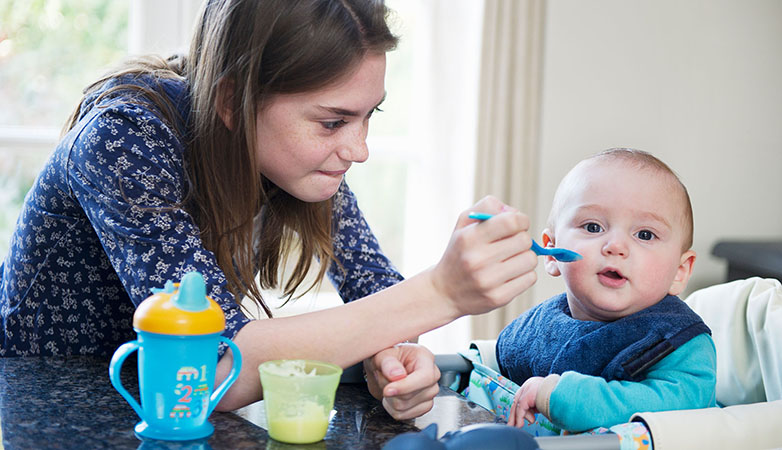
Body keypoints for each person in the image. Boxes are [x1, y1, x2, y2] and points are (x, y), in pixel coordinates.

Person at [0, 0, 539, 419]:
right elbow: (216, 369)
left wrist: (395, 358)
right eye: (333, 122)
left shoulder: (287, 159)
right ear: (233, 100)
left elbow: (376, 291)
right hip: (43, 406)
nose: (359, 148)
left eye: (369, 115)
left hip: (163, 418)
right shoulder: (125, 138)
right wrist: (440, 293)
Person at [497, 148, 716, 432]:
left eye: (645, 234)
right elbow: (495, 367)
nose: (615, 246)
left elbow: (679, 409)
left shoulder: (678, 340)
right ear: (551, 254)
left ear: (679, 271)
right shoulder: (543, 325)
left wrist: (560, 397)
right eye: (592, 226)